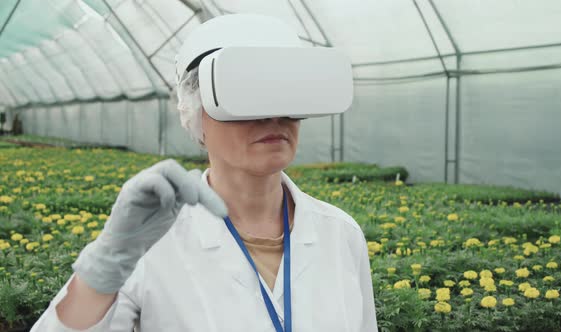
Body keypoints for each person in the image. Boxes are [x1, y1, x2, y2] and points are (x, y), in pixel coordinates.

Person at [31, 14, 377, 332]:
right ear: (197, 114)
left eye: (285, 90)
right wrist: (104, 268)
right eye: (246, 94)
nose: (274, 115)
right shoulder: (149, 240)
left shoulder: (341, 235)